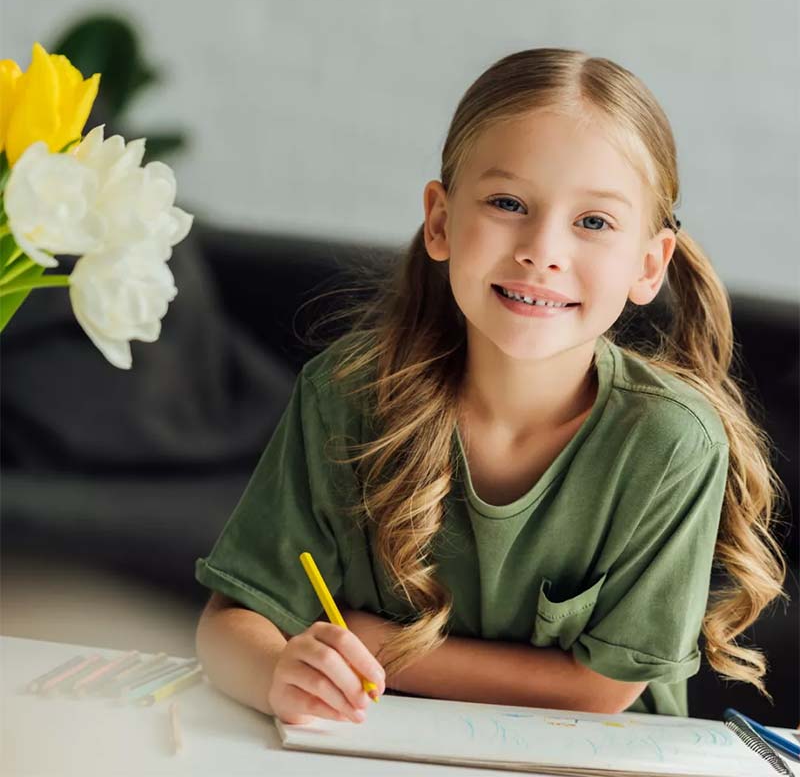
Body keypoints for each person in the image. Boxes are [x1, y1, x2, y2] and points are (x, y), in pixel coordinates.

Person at [194, 48, 787, 726]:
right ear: (441, 222)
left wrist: (374, 644)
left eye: (593, 222)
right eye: (509, 203)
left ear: (648, 265)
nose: (543, 249)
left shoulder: (670, 442)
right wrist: (277, 671)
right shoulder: (346, 394)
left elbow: (603, 689)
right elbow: (230, 623)